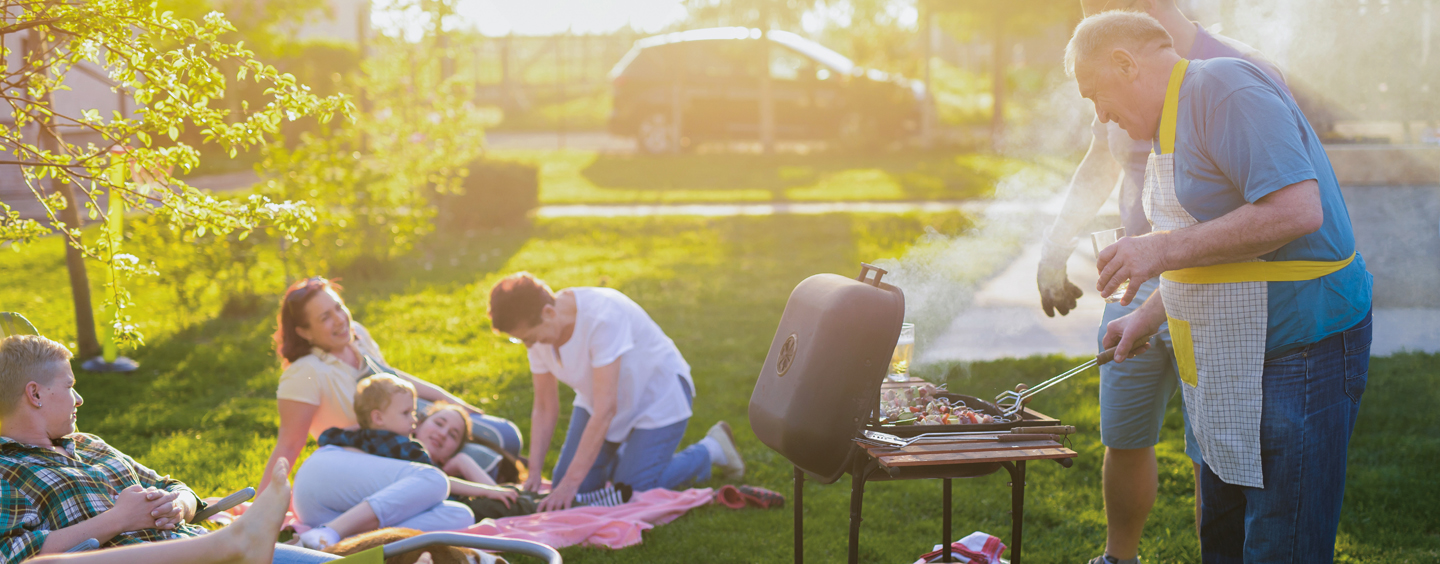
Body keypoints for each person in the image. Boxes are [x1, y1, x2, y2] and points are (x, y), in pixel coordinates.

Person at [1068, 11, 1372, 563]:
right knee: (1225, 539)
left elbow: (1297, 211)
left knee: (1283, 543)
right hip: (1230, 355)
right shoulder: (1169, 118)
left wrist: (1155, 250)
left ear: (1124, 64)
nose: (1101, 115)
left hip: (1302, 347)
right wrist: (1150, 313)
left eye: (1095, 96)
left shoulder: (1225, 88)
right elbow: (1220, 242)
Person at [1037, 2, 1291, 562]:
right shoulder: (1110, 65)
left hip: (1221, 283)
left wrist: (1172, 252)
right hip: (1136, 280)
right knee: (1123, 432)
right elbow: (1100, 157)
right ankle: (1118, 557)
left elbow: (1286, 197)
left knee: (1214, 442)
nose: (1087, 15)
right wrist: (1055, 248)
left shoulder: (1235, 70)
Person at [0, 335, 338, 564]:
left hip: (191, 540)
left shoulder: (89, 444)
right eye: (70, 386)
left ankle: (241, 542)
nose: (79, 399)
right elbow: (17, 554)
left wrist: (179, 506)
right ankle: (237, 541)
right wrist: (118, 519)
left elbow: (172, 486)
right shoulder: (8, 469)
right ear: (36, 394)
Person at [488, 273, 745, 512]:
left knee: (633, 489)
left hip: (656, 397)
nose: (530, 346)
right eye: (521, 340)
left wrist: (570, 483)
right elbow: (544, 406)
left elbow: (606, 410)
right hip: (599, 400)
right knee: (569, 488)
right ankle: (627, 455)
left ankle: (711, 449)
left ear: (548, 312)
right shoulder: (538, 333)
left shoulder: (602, 317)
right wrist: (533, 471)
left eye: (530, 337)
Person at [259, 276, 520, 496]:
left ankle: (468, 475)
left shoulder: (357, 336)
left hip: (415, 423)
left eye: (339, 308)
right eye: (325, 317)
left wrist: (452, 401)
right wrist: (262, 505)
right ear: (304, 332)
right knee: (495, 464)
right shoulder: (304, 372)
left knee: (508, 436)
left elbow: (391, 376)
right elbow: (289, 445)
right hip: (384, 451)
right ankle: (472, 481)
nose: (340, 320)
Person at [293, 375, 518, 550]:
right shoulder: (404, 448)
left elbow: (327, 436)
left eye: (453, 436)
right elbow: (439, 481)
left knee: (461, 514)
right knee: (435, 479)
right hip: (320, 484)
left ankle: (342, 540)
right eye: (407, 413)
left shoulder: (369, 440)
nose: (412, 419)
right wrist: (488, 490)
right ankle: (330, 532)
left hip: (326, 512)